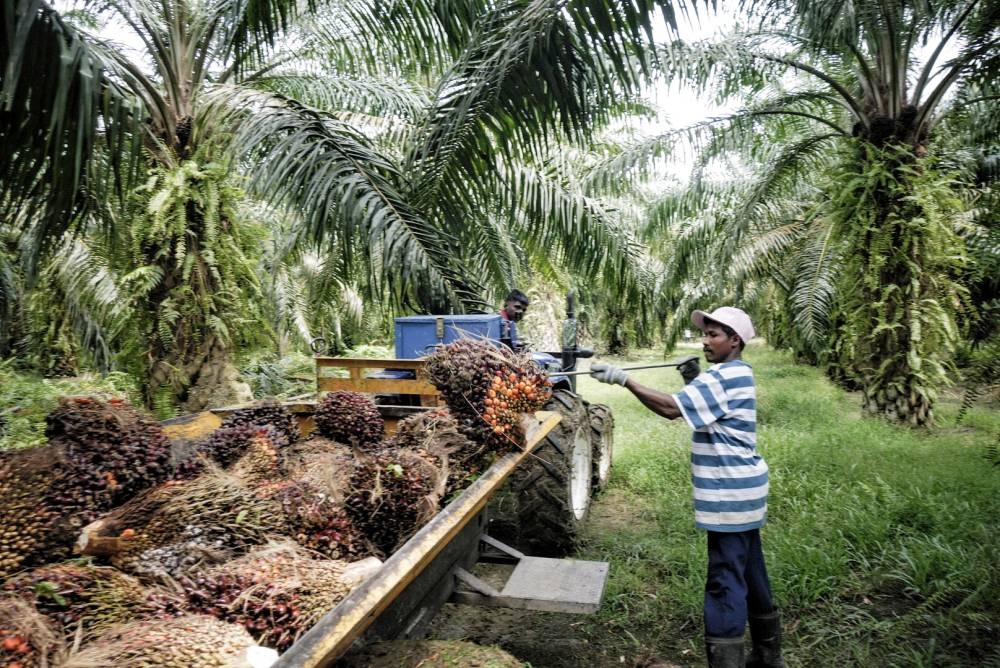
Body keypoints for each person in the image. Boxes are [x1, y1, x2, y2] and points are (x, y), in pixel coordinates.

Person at [590, 306, 783, 668]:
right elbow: (709, 407)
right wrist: (694, 378)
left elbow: (670, 410)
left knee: (725, 582)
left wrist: (623, 379)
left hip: (729, 496)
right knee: (752, 573)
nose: (705, 341)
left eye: (714, 335)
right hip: (746, 494)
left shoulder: (722, 378)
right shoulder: (738, 373)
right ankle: (768, 659)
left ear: (735, 340)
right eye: (704, 334)